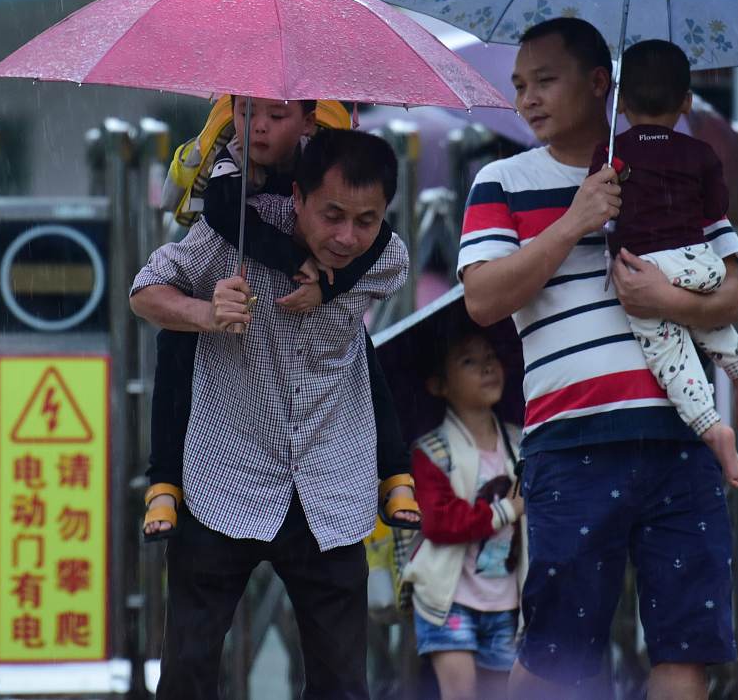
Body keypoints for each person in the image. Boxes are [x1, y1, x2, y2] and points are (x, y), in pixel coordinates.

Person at [458, 18, 738, 700]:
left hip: (680, 438)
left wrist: (669, 300)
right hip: (571, 443)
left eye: (544, 81)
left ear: (601, 84)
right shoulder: (502, 180)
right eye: (518, 86)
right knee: (559, 653)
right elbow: (482, 299)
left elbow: (735, 292)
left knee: (687, 646)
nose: (527, 99)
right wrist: (575, 218)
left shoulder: (676, 164)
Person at [131, 128, 408, 700]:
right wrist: (205, 311)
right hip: (225, 474)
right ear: (298, 198)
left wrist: (328, 283)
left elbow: (388, 263)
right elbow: (144, 290)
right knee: (187, 671)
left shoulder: (386, 253)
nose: (347, 236)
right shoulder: (228, 234)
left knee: (343, 684)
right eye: (332, 215)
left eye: (366, 220)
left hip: (330, 487)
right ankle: (161, 482)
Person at [141, 96, 419, 543]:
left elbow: (378, 237)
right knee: (175, 344)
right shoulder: (231, 155)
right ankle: (165, 479)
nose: (259, 128)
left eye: (275, 116)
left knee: (359, 354)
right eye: (246, 113)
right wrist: (294, 260)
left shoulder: (327, 154)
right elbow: (225, 213)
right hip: (221, 255)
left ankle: (395, 472)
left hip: (320, 280)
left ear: (307, 121)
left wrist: (329, 286)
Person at [587, 39, 738, 488]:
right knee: (701, 312)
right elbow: (716, 204)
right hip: (701, 262)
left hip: (644, 266)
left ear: (621, 102)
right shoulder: (700, 152)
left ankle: (712, 428)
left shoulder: (611, 153)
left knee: (669, 351)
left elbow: (600, 209)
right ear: (687, 101)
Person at [401, 316, 525, 700]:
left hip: (507, 603)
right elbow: (439, 521)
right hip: (448, 600)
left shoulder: (522, 444)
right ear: (439, 385)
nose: (487, 366)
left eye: (490, 356)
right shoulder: (431, 453)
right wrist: (505, 511)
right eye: (468, 362)